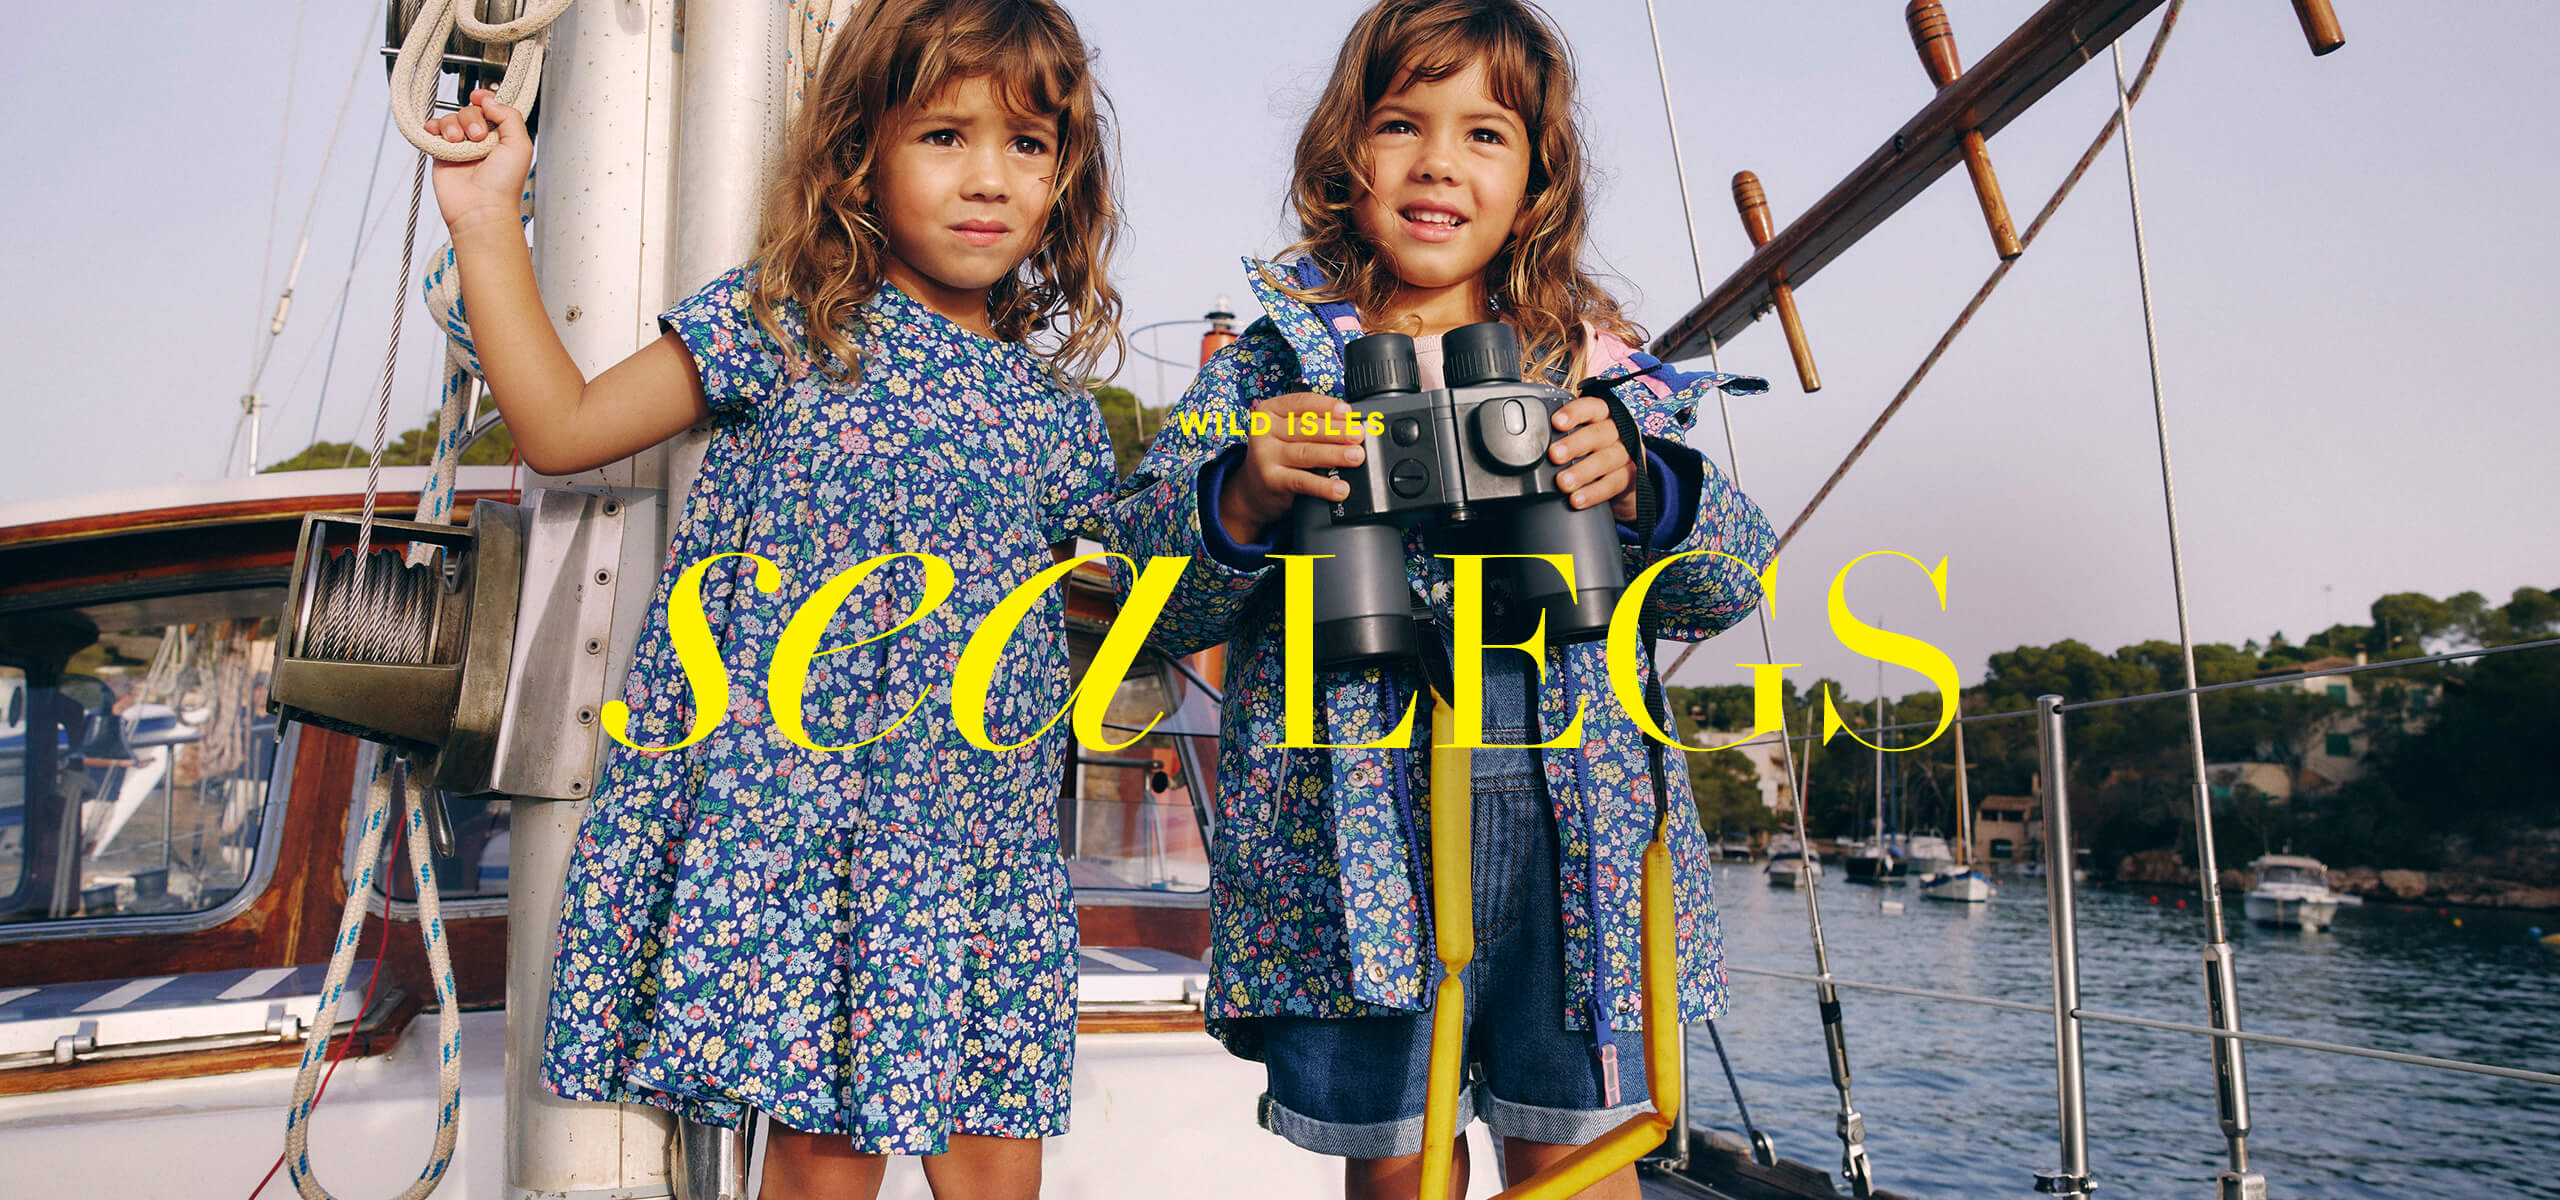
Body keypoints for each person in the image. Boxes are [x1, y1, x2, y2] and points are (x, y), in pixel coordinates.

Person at [420, 1, 1123, 1195]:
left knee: (1000, 1166)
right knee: (820, 1157)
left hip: (977, 857)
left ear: (1064, 178)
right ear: (862, 150)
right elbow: (561, 428)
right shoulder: (791, 327)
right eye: (944, 137)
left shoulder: (1059, 424)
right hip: (812, 836)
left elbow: (1160, 585)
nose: (989, 179)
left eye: (1027, 146)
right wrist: (488, 213)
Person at [1106, 1, 1775, 1196]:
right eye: (1402, 124)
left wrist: (1639, 487)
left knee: (1579, 1155)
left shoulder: (1591, 366)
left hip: (1579, 822)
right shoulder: (1274, 366)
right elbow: (1156, 602)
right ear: (1343, 156)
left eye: (1485, 135)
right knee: (1402, 1168)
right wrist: (1248, 497)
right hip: (1349, 832)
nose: (1437, 164)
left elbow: (1727, 581)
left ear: (1537, 180)